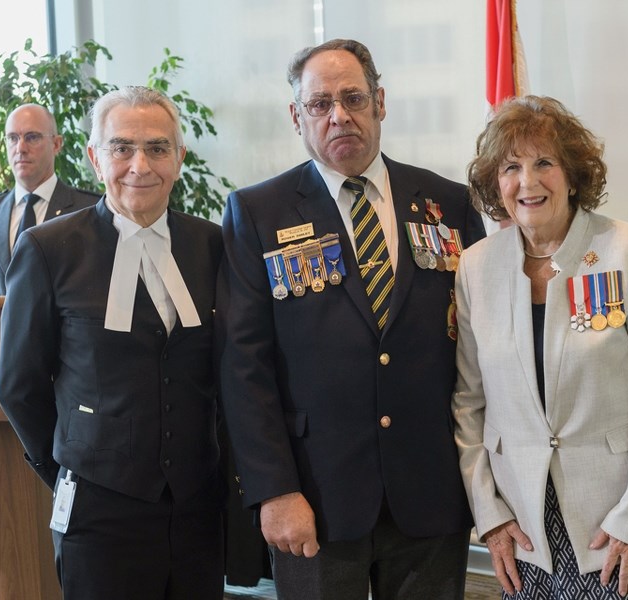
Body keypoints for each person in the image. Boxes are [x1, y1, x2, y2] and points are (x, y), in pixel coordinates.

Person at [219, 38, 485, 599]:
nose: (338, 114)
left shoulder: (449, 203)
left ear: (380, 102)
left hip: (433, 489)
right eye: (319, 104)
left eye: (353, 97)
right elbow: (244, 368)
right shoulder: (258, 212)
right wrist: (274, 491)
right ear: (297, 116)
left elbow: (481, 352)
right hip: (315, 497)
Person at [452, 95, 628, 599]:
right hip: (522, 525)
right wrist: (490, 517)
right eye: (511, 166)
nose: (528, 181)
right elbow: (468, 404)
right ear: (496, 181)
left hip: (616, 519)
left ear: (574, 173)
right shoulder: (475, 267)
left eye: (544, 163)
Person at [0, 86, 224, 600]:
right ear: (96, 158)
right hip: (98, 510)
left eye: (158, 148)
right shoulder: (48, 249)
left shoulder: (212, 244)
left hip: (195, 508)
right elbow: (18, 387)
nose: (140, 165)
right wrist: (69, 469)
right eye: (121, 147)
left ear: (180, 159)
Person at [0, 103, 98, 295]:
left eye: (32, 137)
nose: (21, 148)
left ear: (56, 144)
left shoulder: (91, 211)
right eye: (13, 138)